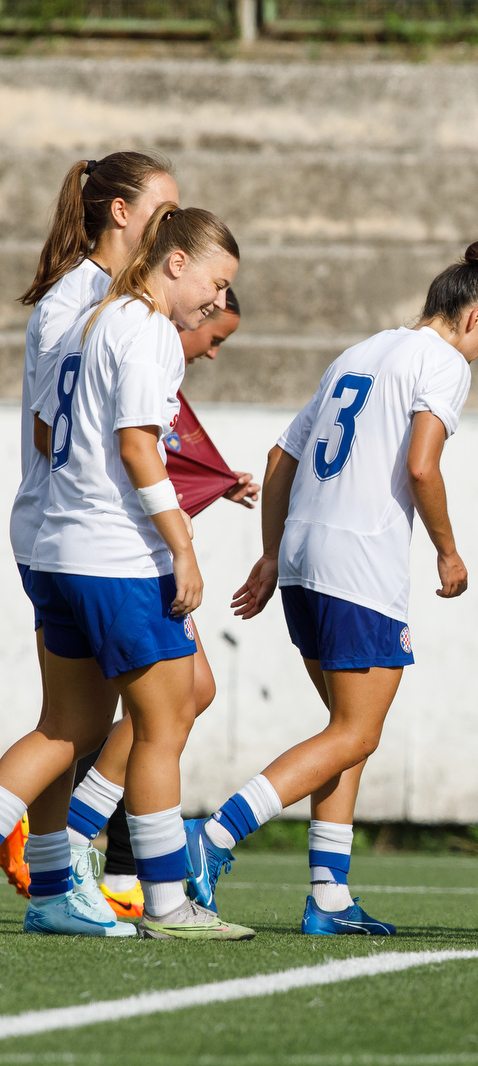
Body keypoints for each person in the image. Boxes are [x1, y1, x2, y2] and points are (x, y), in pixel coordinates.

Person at [201, 241, 478, 936]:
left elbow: (282, 457)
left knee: (346, 736)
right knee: (356, 730)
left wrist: (274, 554)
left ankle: (328, 898)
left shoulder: (362, 351)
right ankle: (212, 839)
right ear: (474, 316)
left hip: (307, 558)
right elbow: (423, 468)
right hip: (359, 564)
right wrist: (449, 552)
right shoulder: (444, 363)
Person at [10, 204, 247, 940]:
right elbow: (142, 449)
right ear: (176, 262)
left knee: (71, 724)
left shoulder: (95, 317)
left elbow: (55, 432)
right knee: (164, 720)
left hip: (60, 548)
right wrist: (182, 546)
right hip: (115, 557)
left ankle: (53, 889)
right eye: (216, 281)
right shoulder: (145, 328)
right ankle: (171, 905)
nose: (216, 299)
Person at [3, 152, 179, 936]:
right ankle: (104, 877)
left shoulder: (106, 299)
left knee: (69, 720)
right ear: (119, 213)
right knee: (76, 726)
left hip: (71, 535)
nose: (175, 224)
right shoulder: (76, 302)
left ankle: (50, 888)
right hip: (75, 537)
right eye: (164, 209)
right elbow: (53, 429)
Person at [61, 287, 259, 922]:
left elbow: (157, 449)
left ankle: (89, 851)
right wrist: (182, 545)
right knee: (149, 715)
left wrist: (216, 483)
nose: (212, 348)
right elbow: (138, 448)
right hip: (129, 557)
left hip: (121, 552)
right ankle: (76, 848)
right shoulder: (147, 342)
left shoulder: (138, 344)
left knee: (183, 697)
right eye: (213, 332)